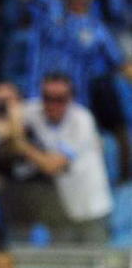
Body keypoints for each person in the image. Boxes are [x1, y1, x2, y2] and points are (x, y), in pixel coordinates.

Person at [14, 72, 113, 242]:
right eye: (47, 97)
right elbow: (14, 111)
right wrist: (13, 128)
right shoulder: (35, 110)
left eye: (59, 99)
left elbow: (52, 166)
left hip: (91, 208)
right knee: (63, 263)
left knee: (94, 262)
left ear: (71, 99)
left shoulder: (82, 120)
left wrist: (21, 145)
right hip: (61, 209)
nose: (52, 104)